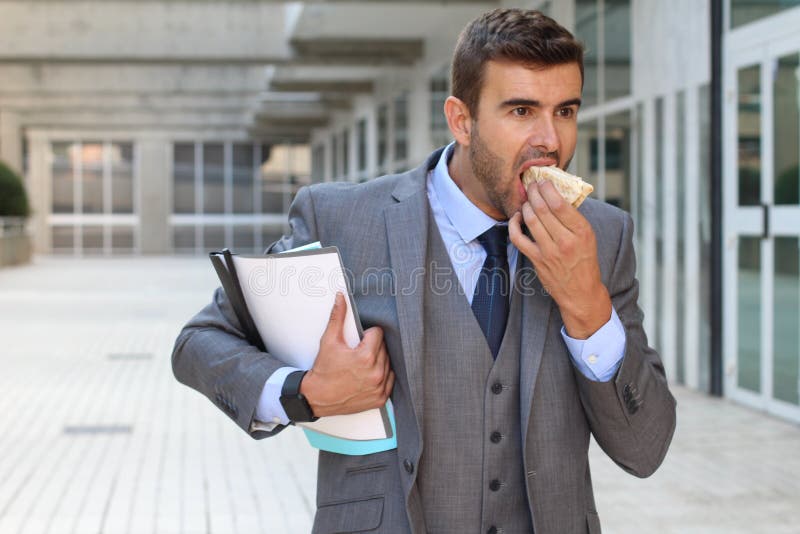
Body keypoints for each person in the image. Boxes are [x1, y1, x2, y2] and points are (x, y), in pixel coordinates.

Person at [172, 8, 676, 534]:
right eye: (522, 110)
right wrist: (304, 393)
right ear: (461, 120)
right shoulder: (345, 220)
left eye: (566, 111)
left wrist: (588, 307)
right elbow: (199, 342)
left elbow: (645, 448)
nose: (550, 140)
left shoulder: (604, 236)